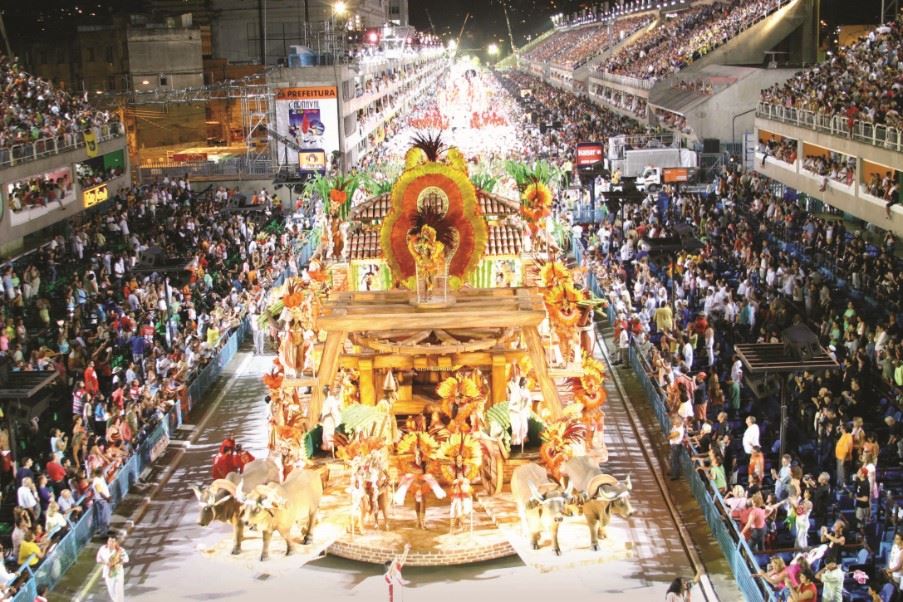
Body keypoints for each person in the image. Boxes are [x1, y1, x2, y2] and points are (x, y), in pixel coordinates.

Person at [96, 535, 129, 602]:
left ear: (116, 542)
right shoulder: (102, 549)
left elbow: (126, 559)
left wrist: (117, 563)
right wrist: (106, 563)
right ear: (107, 541)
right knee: (111, 591)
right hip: (108, 573)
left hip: (118, 573)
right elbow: (98, 559)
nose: (111, 543)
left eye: (113, 541)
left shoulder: (120, 550)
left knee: (118, 591)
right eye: (109, 541)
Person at [92, 467, 113, 538]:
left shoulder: (101, 478)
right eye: (102, 472)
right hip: (102, 500)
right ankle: (103, 534)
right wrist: (106, 498)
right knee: (103, 518)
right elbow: (100, 492)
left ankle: (107, 529)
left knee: (107, 515)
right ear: (99, 473)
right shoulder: (96, 481)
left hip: (105, 499)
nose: (103, 473)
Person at [669, 415, 685, 480]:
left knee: (675, 461)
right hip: (673, 445)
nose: (673, 421)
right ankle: (672, 471)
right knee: (672, 459)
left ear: (678, 422)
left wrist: (671, 435)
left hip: (676, 446)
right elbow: (671, 434)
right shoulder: (675, 426)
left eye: (675, 420)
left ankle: (675, 475)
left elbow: (670, 436)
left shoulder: (680, 430)